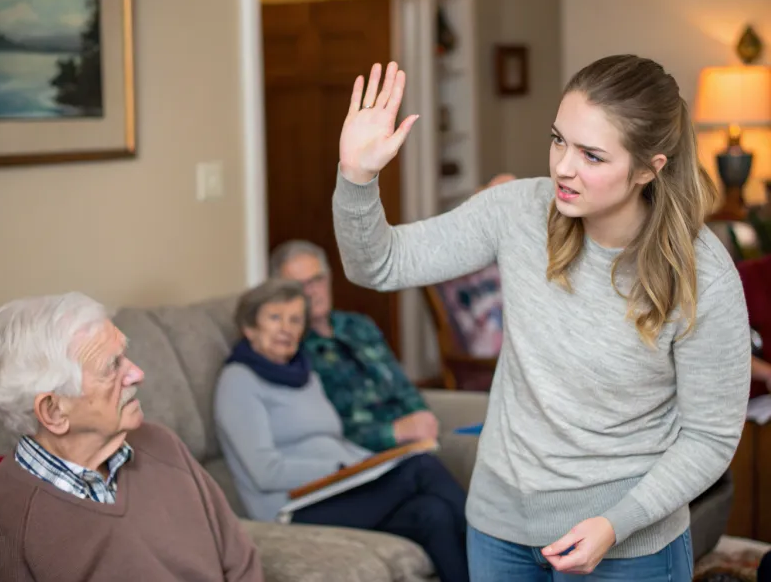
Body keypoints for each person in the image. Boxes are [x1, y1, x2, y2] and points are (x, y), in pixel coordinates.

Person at [330, 57, 751, 581]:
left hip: (626, 543)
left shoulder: (700, 274)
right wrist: (357, 176)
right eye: (558, 140)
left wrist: (615, 524)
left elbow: (710, 437)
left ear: (649, 167)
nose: (562, 168)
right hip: (499, 528)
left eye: (592, 155)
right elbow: (379, 264)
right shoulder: (517, 212)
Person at [0, 293, 263, 582]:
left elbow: (240, 561)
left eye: (125, 356)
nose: (137, 373)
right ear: (54, 412)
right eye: (112, 367)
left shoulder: (162, 444)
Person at [214, 278, 469, 582]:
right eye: (274, 317)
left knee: (433, 513)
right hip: (293, 507)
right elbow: (264, 470)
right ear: (249, 327)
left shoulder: (304, 375)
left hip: (340, 488)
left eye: (295, 319)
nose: (286, 328)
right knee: (421, 469)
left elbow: (336, 439)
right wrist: (340, 468)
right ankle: (502, 554)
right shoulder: (238, 381)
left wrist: (374, 463)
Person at [268, 239, 440, 452]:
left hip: (413, 443)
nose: (311, 291)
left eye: (317, 279)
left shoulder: (359, 325)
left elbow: (403, 387)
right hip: (361, 456)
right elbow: (320, 431)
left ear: (329, 278)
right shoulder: (288, 349)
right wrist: (392, 432)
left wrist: (423, 417)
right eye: (299, 286)